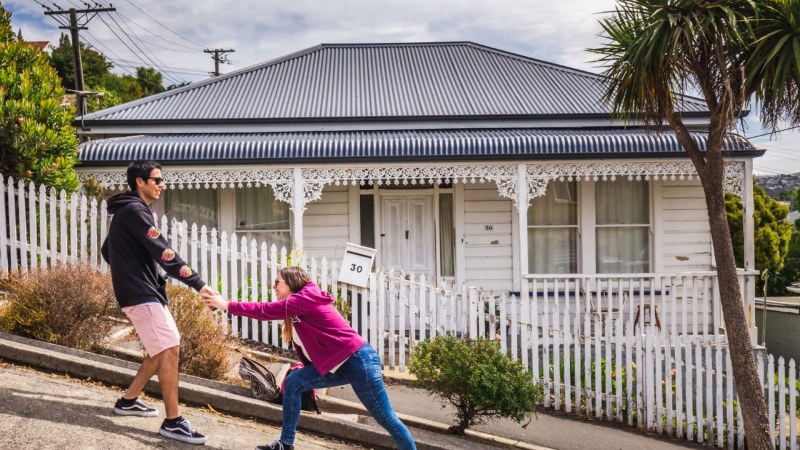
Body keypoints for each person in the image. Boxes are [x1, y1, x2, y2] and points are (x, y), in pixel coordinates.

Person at [202, 266, 416, 450]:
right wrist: (305, 370)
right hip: (340, 364)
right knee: (294, 381)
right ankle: (286, 444)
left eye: (277, 282)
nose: (273, 287)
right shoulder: (297, 309)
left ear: (291, 283)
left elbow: (263, 310)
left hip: (359, 361)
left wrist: (225, 305)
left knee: (385, 418)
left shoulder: (304, 299)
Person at [101, 160, 215, 445]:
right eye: (157, 180)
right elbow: (165, 253)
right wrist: (199, 284)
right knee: (169, 346)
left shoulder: (129, 211)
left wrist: (132, 269)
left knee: (159, 347)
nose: (161, 185)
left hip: (141, 289)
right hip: (140, 292)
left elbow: (107, 249)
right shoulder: (136, 211)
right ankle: (173, 421)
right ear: (140, 182)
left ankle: (128, 401)